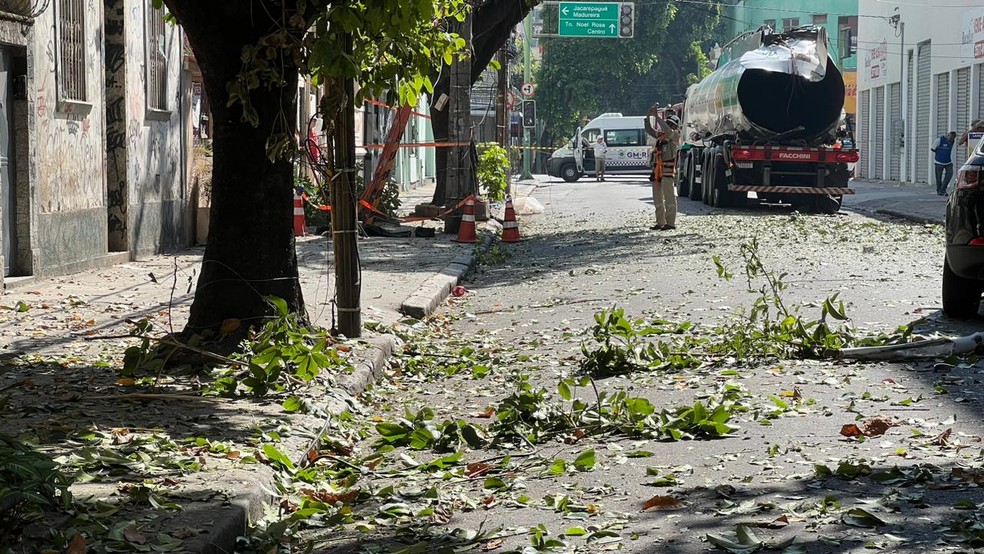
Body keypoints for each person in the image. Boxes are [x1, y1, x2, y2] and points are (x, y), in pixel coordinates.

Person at [644, 107, 681, 230]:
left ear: (675, 127)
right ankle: (660, 222)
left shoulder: (674, 137)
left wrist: (657, 117)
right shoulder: (661, 136)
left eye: (671, 124)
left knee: (669, 198)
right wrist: (648, 117)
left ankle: (670, 223)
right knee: (657, 199)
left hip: (667, 172)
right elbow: (649, 130)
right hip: (657, 172)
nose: (669, 126)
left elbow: (667, 130)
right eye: (668, 123)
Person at [931, 131, 957, 196]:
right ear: (948, 135)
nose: (951, 139)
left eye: (953, 138)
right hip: (938, 162)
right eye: (950, 138)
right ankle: (939, 190)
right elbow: (933, 148)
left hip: (948, 161)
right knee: (938, 177)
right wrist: (940, 153)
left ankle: (943, 189)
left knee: (949, 174)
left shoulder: (952, 141)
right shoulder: (939, 140)